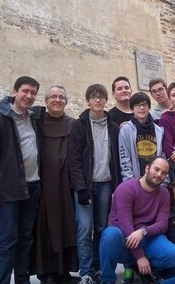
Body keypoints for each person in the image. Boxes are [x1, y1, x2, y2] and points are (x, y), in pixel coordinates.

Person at [0, 76, 42, 284]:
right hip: (8, 191)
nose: (29, 95)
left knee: (26, 238)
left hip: (33, 188)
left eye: (33, 92)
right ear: (14, 92)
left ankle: (22, 280)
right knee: (7, 240)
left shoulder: (34, 118)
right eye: (25, 91)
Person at [100, 157, 175, 284]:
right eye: (156, 169)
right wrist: (140, 256)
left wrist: (143, 232)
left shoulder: (164, 193)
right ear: (147, 168)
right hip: (124, 239)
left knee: (174, 255)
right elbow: (126, 225)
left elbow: (162, 224)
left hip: (149, 238)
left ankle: (143, 271)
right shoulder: (125, 189)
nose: (159, 175)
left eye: (163, 173)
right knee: (110, 234)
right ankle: (107, 280)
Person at [68, 84, 121, 284]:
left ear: (106, 100)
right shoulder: (79, 125)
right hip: (86, 186)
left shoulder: (113, 126)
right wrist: (81, 187)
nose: (97, 100)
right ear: (88, 100)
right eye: (93, 97)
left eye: (101, 97)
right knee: (84, 228)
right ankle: (86, 272)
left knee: (101, 228)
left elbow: (116, 157)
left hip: (106, 184)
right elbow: (73, 159)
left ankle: (99, 267)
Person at [33, 86, 78, 284]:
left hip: (66, 184)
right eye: (53, 96)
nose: (57, 100)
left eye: (61, 97)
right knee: (44, 227)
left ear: (66, 102)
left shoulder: (73, 124)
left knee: (67, 225)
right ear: (46, 100)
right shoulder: (36, 123)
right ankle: (46, 273)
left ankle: (64, 271)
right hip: (43, 183)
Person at [119, 92, 165, 180]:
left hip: (156, 179)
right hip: (135, 180)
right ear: (132, 109)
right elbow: (124, 158)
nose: (142, 108)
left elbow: (162, 155)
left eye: (145, 105)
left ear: (149, 108)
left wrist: (164, 180)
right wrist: (130, 181)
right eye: (137, 105)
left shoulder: (159, 130)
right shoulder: (126, 130)